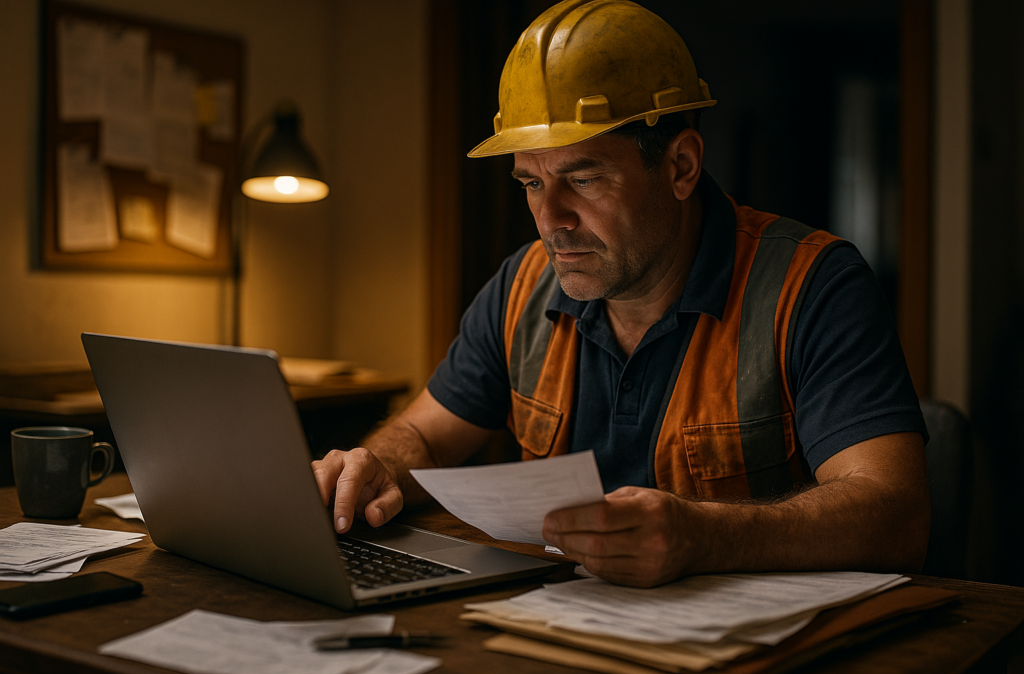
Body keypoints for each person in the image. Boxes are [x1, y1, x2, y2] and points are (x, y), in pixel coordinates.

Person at [312, 0, 930, 588]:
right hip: (553, 634)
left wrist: (704, 537)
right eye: (531, 182)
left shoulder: (813, 286)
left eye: (583, 178)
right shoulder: (523, 284)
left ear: (681, 166)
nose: (550, 218)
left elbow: (896, 516)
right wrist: (376, 466)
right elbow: (422, 437)